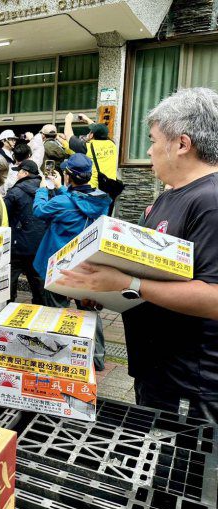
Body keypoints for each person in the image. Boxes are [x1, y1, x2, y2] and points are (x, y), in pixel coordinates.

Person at [56, 88, 218, 419]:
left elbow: (213, 297)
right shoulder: (169, 197)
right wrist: (107, 288)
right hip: (158, 370)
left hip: (191, 383)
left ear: (182, 144)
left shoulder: (210, 201)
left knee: (176, 467)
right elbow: (156, 272)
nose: (148, 150)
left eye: (154, 140)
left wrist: (127, 282)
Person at [32, 153, 111, 370]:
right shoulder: (101, 199)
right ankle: (97, 358)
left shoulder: (60, 201)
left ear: (68, 175)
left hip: (58, 265)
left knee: (57, 311)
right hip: (86, 264)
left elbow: (39, 211)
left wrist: (42, 189)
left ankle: (61, 356)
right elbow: (79, 201)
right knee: (89, 312)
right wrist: (62, 187)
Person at [4, 160, 47, 304]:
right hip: (40, 244)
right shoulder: (46, 190)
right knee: (38, 281)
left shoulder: (15, 191)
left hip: (17, 244)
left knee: (10, 278)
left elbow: (5, 216)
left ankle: (7, 309)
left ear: (25, 173)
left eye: (18, 172)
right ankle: (41, 311)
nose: (16, 175)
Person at [64, 112, 120, 212]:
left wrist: (68, 121)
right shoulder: (112, 144)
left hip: (94, 190)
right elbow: (100, 131)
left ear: (92, 135)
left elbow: (69, 136)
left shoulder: (88, 147)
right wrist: (87, 119)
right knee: (105, 216)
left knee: (91, 218)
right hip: (110, 188)